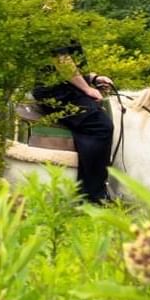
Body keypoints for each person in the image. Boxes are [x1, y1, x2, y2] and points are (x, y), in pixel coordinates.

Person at [34, 37, 114, 205]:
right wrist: (87, 89)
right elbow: (61, 61)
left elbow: (69, 64)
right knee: (101, 126)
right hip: (56, 93)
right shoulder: (55, 20)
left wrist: (93, 78)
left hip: (65, 89)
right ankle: (91, 196)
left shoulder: (62, 20)